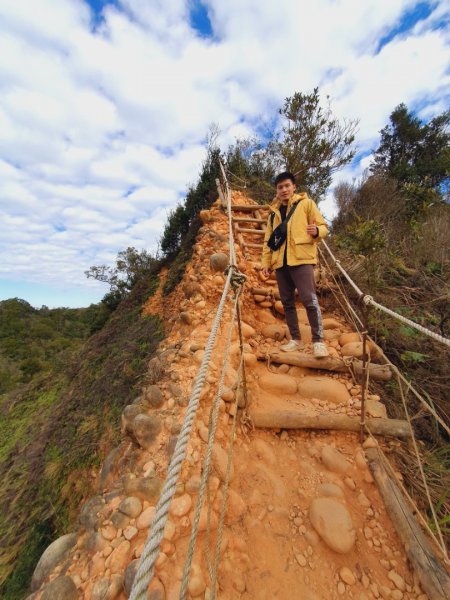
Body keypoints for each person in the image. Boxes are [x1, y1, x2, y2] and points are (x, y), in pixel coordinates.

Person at [260, 171, 329, 357]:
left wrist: (316, 231)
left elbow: (323, 227)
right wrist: (265, 264)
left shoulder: (306, 204)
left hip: (301, 259)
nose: (283, 190)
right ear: (277, 190)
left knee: (309, 299)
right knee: (287, 302)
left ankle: (318, 341)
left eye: (287, 186)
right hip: (280, 263)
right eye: (280, 187)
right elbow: (269, 241)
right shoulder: (273, 214)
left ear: (294, 187)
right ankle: (296, 340)